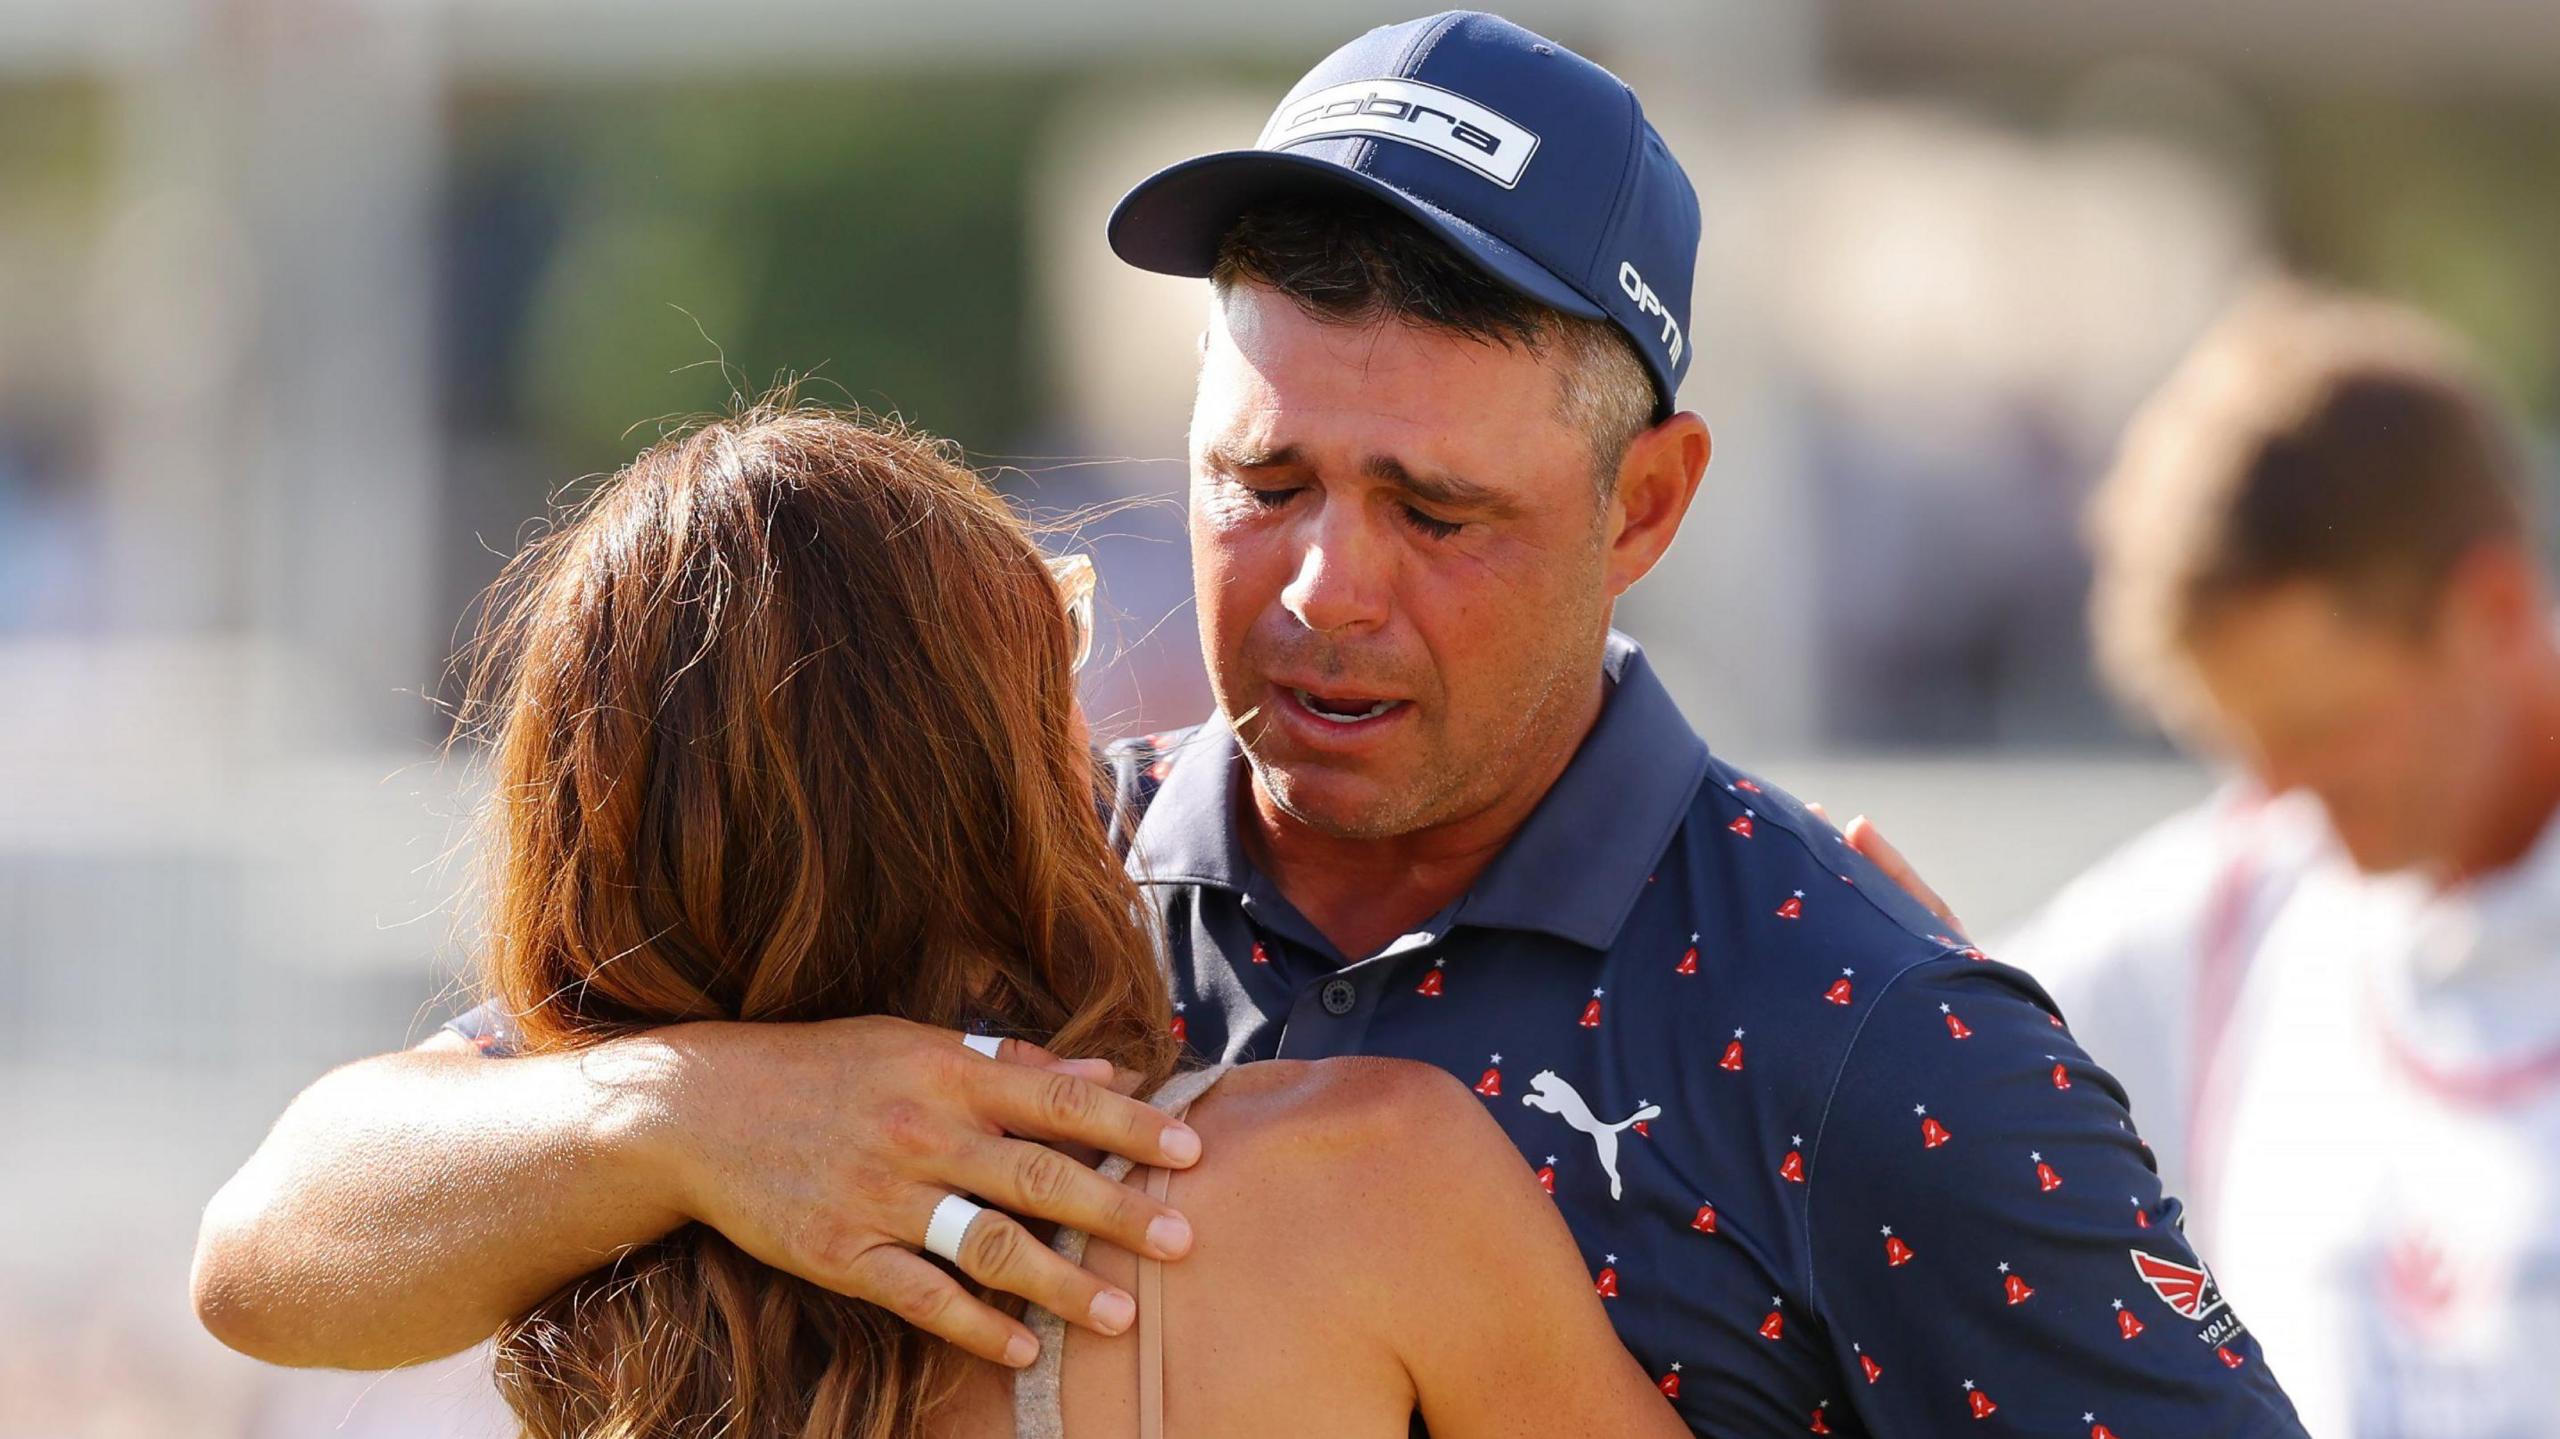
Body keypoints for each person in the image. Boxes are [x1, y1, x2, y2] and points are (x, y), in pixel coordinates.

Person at [193, 13, 2306, 1435]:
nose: (1318, 587)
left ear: (1640, 506)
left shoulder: (1863, 1024)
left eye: (1433, 508)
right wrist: (662, 1116)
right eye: (1260, 481)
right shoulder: (999, 854)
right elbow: (277, 1239)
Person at [397, 401, 1688, 1436]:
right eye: (1051, 640)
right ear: (982, 763)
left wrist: (673, 1121)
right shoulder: (1370, 1182)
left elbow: (259, 1249)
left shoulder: (563, 1248)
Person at [2002, 284, 2560, 1439]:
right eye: (2245, 750)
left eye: (2325, 731)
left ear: (2493, 608)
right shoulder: (2221, 912)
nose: (2285, 799)